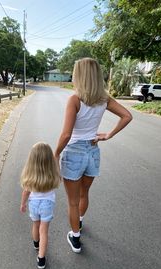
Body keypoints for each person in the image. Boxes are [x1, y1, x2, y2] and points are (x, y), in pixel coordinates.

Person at [54, 57, 133, 253]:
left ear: (79, 76)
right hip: (93, 152)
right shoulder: (104, 99)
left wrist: (55, 154)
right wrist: (107, 135)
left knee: (72, 201)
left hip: (74, 153)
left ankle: (76, 237)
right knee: (84, 193)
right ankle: (79, 223)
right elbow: (127, 116)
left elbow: (66, 134)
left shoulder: (75, 99)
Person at [20, 142, 61, 269]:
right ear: (49, 160)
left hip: (33, 203)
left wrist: (23, 204)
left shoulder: (31, 176)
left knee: (35, 225)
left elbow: (26, 192)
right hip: (47, 204)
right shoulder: (52, 174)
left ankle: (36, 244)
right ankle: (41, 258)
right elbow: (59, 177)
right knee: (44, 230)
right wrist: (57, 160)